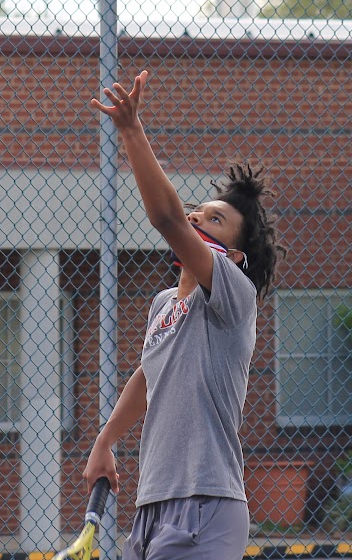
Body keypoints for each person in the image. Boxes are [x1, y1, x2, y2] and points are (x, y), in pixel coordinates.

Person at [84, 70, 284, 560]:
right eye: (198, 210)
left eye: (214, 219)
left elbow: (167, 217)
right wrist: (104, 441)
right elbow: (149, 378)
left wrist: (131, 131)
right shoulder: (164, 306)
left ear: (232, 256)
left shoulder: (234, 294)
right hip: (151, 506)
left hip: (208, 507)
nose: (196, 217)